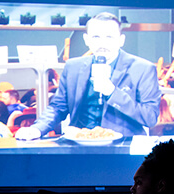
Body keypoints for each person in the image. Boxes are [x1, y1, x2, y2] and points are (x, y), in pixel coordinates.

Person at [15, 12, 161, 140]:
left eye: (109, 37)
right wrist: (37, 128)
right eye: (96, 37)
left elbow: (150, 117)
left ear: (121, 40)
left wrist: (112, 93)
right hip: (79, 142)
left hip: (123, 146)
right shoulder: (73, 66)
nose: (102, 43)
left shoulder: (142, 69)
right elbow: (57, 107)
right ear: (87, 39)